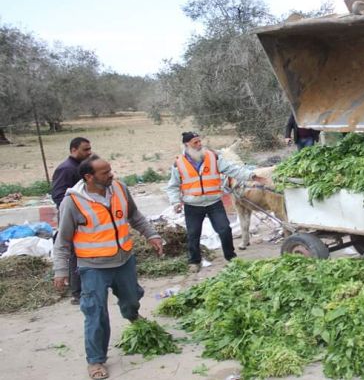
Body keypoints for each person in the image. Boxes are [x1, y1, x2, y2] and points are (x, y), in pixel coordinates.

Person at [53, 155, 163, 380]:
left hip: (124, 260)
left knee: (132, 297)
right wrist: (61, 270)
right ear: (88, 177)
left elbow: (134, 216)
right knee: (95, 313)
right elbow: (62, 241)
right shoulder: (72, 202)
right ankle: (95, 360)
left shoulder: (120, 189)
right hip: (93, 267)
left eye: (110, 170)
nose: (111, 175)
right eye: (105, 173)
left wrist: (151, 234)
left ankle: (132, 314)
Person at [165, 132, 268, 272]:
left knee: (225, 229)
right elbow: (172, 186)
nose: (199, 144)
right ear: (186, 145)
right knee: (193, 234)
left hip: (214, 202)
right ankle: (194, 262)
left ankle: (231, 258)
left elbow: (232, 169)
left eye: (199, 141)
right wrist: (175, 202)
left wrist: (251, 176)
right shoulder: (179, 163)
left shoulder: (212, 157)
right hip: (193, 205)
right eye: (195, 142)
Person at [50, 136, 93, 304]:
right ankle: (77, 294)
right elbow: (59, 195)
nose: (89, 152)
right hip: (73, 219)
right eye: (85, 150)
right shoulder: (66, 169)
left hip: (85, 219)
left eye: (90, 149)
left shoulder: (82, 167)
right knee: (75, 255)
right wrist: (75, 212)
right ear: (73, 150)